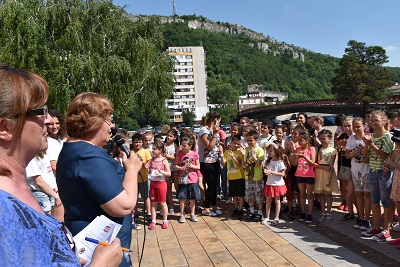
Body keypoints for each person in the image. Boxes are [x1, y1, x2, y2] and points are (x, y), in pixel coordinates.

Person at [0, 63, 122, 266]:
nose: (48, 120)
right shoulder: (3, 209)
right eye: (40, 111)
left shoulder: (14, 188)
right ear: (5, 127)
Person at [56, 92, 142, 267]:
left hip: (98, 244)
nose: (112, 127)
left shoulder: (74, 149)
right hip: (99, 249)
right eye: (109, 121)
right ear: (94, 122)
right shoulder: (88, 155)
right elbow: (122, 205)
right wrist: (132, 170)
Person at [361, 110, 395, 242]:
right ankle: (376, 226)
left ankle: (387, 229)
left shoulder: (388, 137)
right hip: (373, 170)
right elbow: (366, 156)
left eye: (376, 120)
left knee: (386, 201)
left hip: (384, 172)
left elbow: (385, 155)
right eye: (372, 120)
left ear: (384, 121)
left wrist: (371, 145)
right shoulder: (372, 136)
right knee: (375, 200)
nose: (373, 122)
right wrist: (366, 144)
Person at [345, 117, 371, 230]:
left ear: (364, 126)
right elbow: (347, 155)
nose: (356, 128)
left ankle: (367, 219)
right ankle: (360, 216)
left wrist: (363, 148)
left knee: (367, 194)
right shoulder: (351, 138)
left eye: (358, 126)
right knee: (359, 194)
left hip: (367, 170)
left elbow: (369, 156)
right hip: (355, 169)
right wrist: (356, 150)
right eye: (354, 126)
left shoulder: (369, 138)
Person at [198, 111, 223, 216]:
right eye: (219, 120)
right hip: (206, 161)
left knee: (214, 185)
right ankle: (206, 207)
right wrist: (215, 134)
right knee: (211, 185)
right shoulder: (204, 130)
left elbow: (216, 145)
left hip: (215, 160)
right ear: (214, 120)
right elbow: (209, 146)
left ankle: (214, 207)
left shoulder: (214, 130)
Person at [175, 137, 203, 222]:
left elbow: (198, 167)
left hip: (192, 179)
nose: (182, 147)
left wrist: (192, 166)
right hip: (182, 178)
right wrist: (180, 168)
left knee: (192, 197)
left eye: (184, 146)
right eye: (182, 145)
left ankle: (192, 213)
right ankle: (182, 214)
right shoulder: (179, 154)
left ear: (190, 146)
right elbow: (175, 165)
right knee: (182, 197)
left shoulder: (194, 154)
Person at [314, 129, 338, 223]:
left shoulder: (333, 150)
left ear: (330, 139)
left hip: (328, 174)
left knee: (328, 193)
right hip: (319, 173)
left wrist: (328, 177)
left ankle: (328, 212)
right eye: (321, 139)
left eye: (324, 138)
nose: (322, 141)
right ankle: (323, 212)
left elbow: (330, 166)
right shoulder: (318, 149)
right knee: (321, 194)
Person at [262, 143, 287, 226]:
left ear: (276, 151)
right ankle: (267, 217)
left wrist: (271, 171)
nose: (269, 152)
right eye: (268, 150)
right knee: (268, 200)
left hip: (278, 184)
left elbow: (282, 174)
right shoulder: (268, 161)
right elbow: (268, 170)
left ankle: (276, 217)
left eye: (271, 150)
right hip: (269, 183)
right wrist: (266, 168)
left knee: (277, 201)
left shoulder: (280, 162)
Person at [148, 141, 171, 230]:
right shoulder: (152, 160)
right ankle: (153, 220)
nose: (152, 150)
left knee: (162, 202)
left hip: (161, 183)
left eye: (154, 149)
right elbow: (149, 172)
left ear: (160, 150)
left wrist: (162, 172)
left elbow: (169, 173)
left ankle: (165, 220)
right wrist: (147, 169)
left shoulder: (164, 161)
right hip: (153, 183)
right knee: (154, 202)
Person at [221, 134, 245, 219]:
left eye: (238, 144)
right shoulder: (227, 152)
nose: (236, 145)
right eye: (234, 143)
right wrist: (221, 155)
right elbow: (224, 164)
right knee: (234, 195)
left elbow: (239, 165)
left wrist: (233, 157)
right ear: (230, 143)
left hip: (239, 176)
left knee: (240, 195)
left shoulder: (240, 152)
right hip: (231, 177)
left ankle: (241, 209)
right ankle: (236, 208)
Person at [294, 130, 316, 223]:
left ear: (307, 140)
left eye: (301, 140)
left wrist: (304, 157)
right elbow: (295, 163)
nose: (299, 142)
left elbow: (312, 162)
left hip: (309, 174)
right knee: (302, 194)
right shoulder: (298, 149)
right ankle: (303, 212)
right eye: (298, 140)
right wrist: (295, 157)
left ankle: (310, 214)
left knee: (310, 194)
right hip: (299, 173)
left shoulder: (312, 149)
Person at [131, 133, 152, 226]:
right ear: (132, 142)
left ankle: (149, 213)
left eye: (139, 142)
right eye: (136, 142)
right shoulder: (131, 152)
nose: (138, 144)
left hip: (144, 178)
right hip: (134, 179)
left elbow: (149, 162)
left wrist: (145, 164)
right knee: (135, 198)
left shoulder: (145, 151)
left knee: (146, 197)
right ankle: (135, 214)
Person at [243, 130, 265, 222]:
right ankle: (252, 211)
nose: (249, 142)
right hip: (248, 175)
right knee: (250, 194)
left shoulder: (259, 150)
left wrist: (253, 155)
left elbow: (259, 164)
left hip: (257, 176)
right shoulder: (246, 149)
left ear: (256, 140)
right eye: (247, 140)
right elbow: (244, 163)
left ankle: (259, 212)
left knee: (258, 194)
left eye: (251, 140)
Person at [337, 117, 356, 220]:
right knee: (346, 190)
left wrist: (348, 145)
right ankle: (350, 211)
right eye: (345, 126)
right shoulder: (341, 136)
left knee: (352, 192)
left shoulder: (356, 137)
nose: (347, 128)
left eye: (349, 125)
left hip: (354, 166)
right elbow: (338, 149)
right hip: (343, 165)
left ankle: (359, 213)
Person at [386, 132, 400, 246]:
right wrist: (387, 166)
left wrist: (392, 164)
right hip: (396, 182)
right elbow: (390, 164)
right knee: (398, 207)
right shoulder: (395, 152)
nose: (396, 144)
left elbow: (394, 164)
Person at [164, 129, 179, 213]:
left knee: (177, 186)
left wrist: (167, 155)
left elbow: (175, 158)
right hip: (167, 169)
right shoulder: (163, 145)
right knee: (168, 187)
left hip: (174, 169)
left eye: (171, 136)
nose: (168, 137)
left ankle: (179, 202)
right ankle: (171, 204)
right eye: (168, 136)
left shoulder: (176, 146)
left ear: (175, 137)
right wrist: (170, 156)